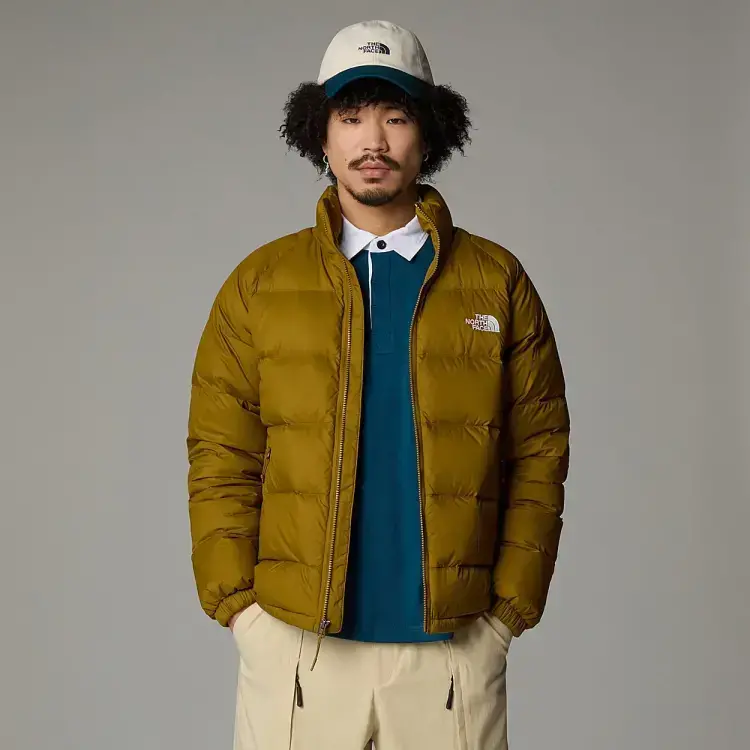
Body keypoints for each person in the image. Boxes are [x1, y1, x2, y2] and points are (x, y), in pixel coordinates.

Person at [186, 19, 570, 750]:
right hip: (296, 645)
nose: (373, 140)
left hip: (453, 647)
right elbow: (220, 455)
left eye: (395, 117)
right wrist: (241, 610)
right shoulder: (259, 284)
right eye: (351, 116)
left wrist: (506, 614)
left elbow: (540, 453)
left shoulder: (496, 281)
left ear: (429, 133)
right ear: (320, 134)